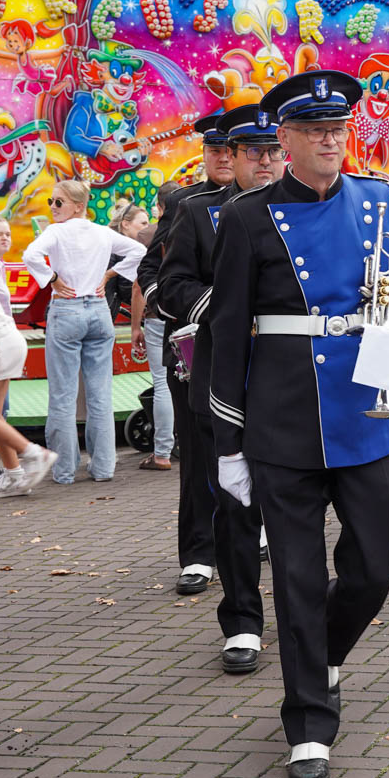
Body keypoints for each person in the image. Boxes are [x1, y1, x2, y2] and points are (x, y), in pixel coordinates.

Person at [207, 70, 389, 778]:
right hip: (283, 419)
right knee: (299, 576)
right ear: (286, 138)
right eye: (313, 131)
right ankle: (307, 720)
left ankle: (323, 655)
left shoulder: (382, 199)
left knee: (378, 564)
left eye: (337, 129)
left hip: (367, 409)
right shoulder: (248, 217)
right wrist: (228, 441)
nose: (330, 141)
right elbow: (225, 333)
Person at [157, 103, 282, 678]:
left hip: (293, 380)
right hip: (225, 376)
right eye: (252, 152)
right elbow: (171, 282)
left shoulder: (311, 208)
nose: (264, 161)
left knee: (297, 503)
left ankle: (303, 612)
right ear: (232, 155)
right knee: (232, 504)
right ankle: (243, 622)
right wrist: (221, 310)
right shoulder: (197, 210)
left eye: (272, 150)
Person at [138, 115, 235, 593]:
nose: (224, 158)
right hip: (194, 346)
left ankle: (252, 532)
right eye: (215, 150)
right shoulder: (186, 203)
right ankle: (198, 553)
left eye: (232, 150)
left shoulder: (273, 202)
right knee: (197, 454)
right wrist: (182, 311)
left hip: (259, 349)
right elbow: (152, 269)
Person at [22, 179, 146, 484]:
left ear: (78, 206)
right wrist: (109, 274)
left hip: (67, 310)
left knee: (63, 395)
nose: (53, 207)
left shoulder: (55, 232)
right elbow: (139, 251)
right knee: (100, 394)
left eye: (58, 202)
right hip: (98, 310)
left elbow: (30, 256)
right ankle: (103, 468)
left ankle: (64, 471)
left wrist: (52, 278)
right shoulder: (102, 232)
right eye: (51, 201)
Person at [0, 215, 57, 497]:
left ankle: (33, 453)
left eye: (8, 233)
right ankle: (14, 474)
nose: (6, 238)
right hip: (7, 339)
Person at [131, 188, 176, 471]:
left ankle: (162, 453)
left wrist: (135, 325)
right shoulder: (201, 224)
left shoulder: (148, 235)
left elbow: (138, 287)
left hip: (159, 315)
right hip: (193, 313)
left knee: (163, 383)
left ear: (159, 207)